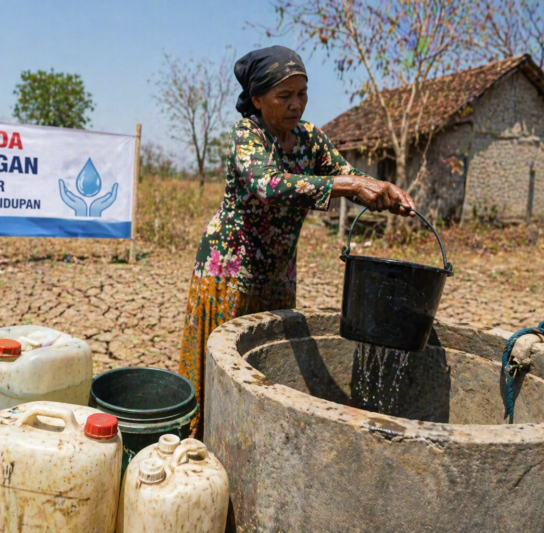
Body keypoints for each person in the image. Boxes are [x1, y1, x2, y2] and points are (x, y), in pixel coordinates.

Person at [178, 45, 416, 438]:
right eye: (283, 96)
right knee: (219, 373)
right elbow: (269, 185)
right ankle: (198, 448)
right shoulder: (247, 135)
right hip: (229, 272)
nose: (296, 105)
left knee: (265, 369)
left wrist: (382, 192)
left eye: (302, 94)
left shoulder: (309, 139)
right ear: (257, 98)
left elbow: (346, 175)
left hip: (278, 274)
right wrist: (353, 184)